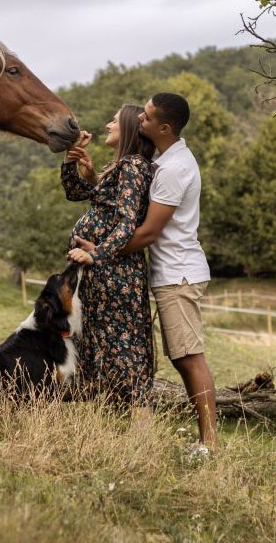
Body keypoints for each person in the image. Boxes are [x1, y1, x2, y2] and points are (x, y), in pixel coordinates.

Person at [80, 92, 218, 451]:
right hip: (167, 271)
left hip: (178, 273)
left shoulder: (174, 169)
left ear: (164, 127)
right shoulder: (163, 158)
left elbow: (148, 231)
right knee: (179, 355)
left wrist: (100, 252)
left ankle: (210, 443)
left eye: (147, 116)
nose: (139, 118)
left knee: (187, 357)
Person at [62, 105, 155, 408]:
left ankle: (140, 422)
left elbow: (128, 222)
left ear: (127, 128)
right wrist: (72, 163)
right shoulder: (120, 167)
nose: (107, 125)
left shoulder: (132, 166)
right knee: (99, 343)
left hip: (116, 271)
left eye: (113, 121)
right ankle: (106, 413)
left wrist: (96, 255)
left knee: (124, 350)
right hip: (104, 271)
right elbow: (75, 193)